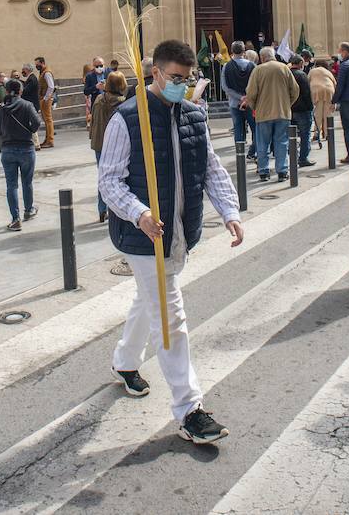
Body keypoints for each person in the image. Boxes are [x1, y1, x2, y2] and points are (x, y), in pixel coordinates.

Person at [98, 39, 244, 445]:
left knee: (150, 300)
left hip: (180, 231)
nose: (183, 84)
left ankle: (125, 362)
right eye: (176, 78)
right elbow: (109, 181)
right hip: (142, 236)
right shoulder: (126, 118)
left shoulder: (193, 116)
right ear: (156, 73)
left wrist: (230, 211)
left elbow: (210, 168)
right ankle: (189, 409)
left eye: (189, 78)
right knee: (170, 316)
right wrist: (139, 212)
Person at [243, 46, 299, 183]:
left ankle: (264, 171)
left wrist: (255, 107)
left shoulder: (258, 70)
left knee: (263, 144)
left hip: (263, 114)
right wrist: (287, 104)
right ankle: (282, 171)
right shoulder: (284, 68)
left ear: (262, 58)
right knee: (282, 142)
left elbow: (250, 93)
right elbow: (295, 90)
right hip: (282, 113)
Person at [0, 78, 42, 230]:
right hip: (26, 148)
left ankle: (15, 219)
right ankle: (29, 210)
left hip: (7, 149)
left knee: (11, 185)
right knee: (27, 182)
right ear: (20, 91)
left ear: (7, 91)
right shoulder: (27, 105)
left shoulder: (1, 108)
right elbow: (37, 124)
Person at [89, 71, 128, 223]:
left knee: (103, 177)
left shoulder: (99, 99)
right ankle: (115, 210)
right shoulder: (122, 102)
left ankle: (101, 209)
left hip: (99, 144)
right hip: (115, 144)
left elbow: (93, 121)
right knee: (118, 178)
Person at [222, 41, 257, 161]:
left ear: (232, 51)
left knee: (238, 130)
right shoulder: (252, 66)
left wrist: (239, 97)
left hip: (234, 103)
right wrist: (247, 97)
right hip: (251, 104)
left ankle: (240, 155)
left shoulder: (227, 66)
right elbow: (256, 85)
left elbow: (225, 87)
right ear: (244, 51)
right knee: (255, 129)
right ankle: (253, 151)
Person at [289, 54, 316, 168]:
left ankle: (293, 156)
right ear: (300, 64)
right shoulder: (302, 75)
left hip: (290, 109)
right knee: (305, 134)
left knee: (291, 135)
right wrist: (311, 107)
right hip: (303, 109)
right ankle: (303, 158)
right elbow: (306, 93)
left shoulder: (287, 74)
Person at [309, 58, 336, 143]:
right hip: (329, 90)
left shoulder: (312, 71)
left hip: (316, 90)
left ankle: (317, 134)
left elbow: (308, 80)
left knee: (318, 114)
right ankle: (328, 134)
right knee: (327, 114)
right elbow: (335, 83)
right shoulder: (328, 72)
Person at [34, 57, 57, 149]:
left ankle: (50, 140)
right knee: (46, 119)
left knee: (48, 120)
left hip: (46, 99)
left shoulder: (47, 73)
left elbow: (51, 87)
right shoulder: (43, 72)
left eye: (37, 64)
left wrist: (45, 98)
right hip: (44, 98)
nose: (36, 66)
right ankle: (47, 140)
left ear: (42, 63)